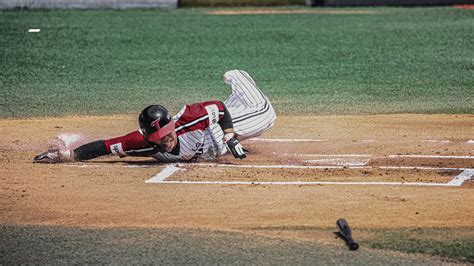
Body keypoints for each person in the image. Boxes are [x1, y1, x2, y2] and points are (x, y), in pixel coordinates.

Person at [33, 70, 276, 163]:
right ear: (149, 136)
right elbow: (106, 146)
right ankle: (239, 97)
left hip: (213, 131)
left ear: (172, 123)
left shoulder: (187, 118)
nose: (165, 139)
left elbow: (220, 110)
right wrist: (69, 156)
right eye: (158, 136)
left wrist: (231, 137)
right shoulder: (143, 143)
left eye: (166, 132)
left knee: (266, 114)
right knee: (244, 110)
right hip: (211, 144)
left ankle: (236, 76)